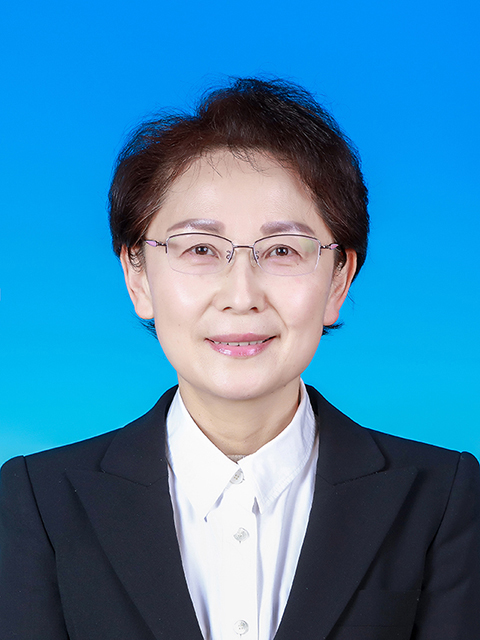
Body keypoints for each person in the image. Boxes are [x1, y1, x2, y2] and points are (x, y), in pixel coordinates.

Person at [0, 78, 479, 640]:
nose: (242, 294)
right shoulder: (40, 501)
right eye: (201, 248)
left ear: (338, 280)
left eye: (283, 250)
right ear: (137, 277)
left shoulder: (441, 497)